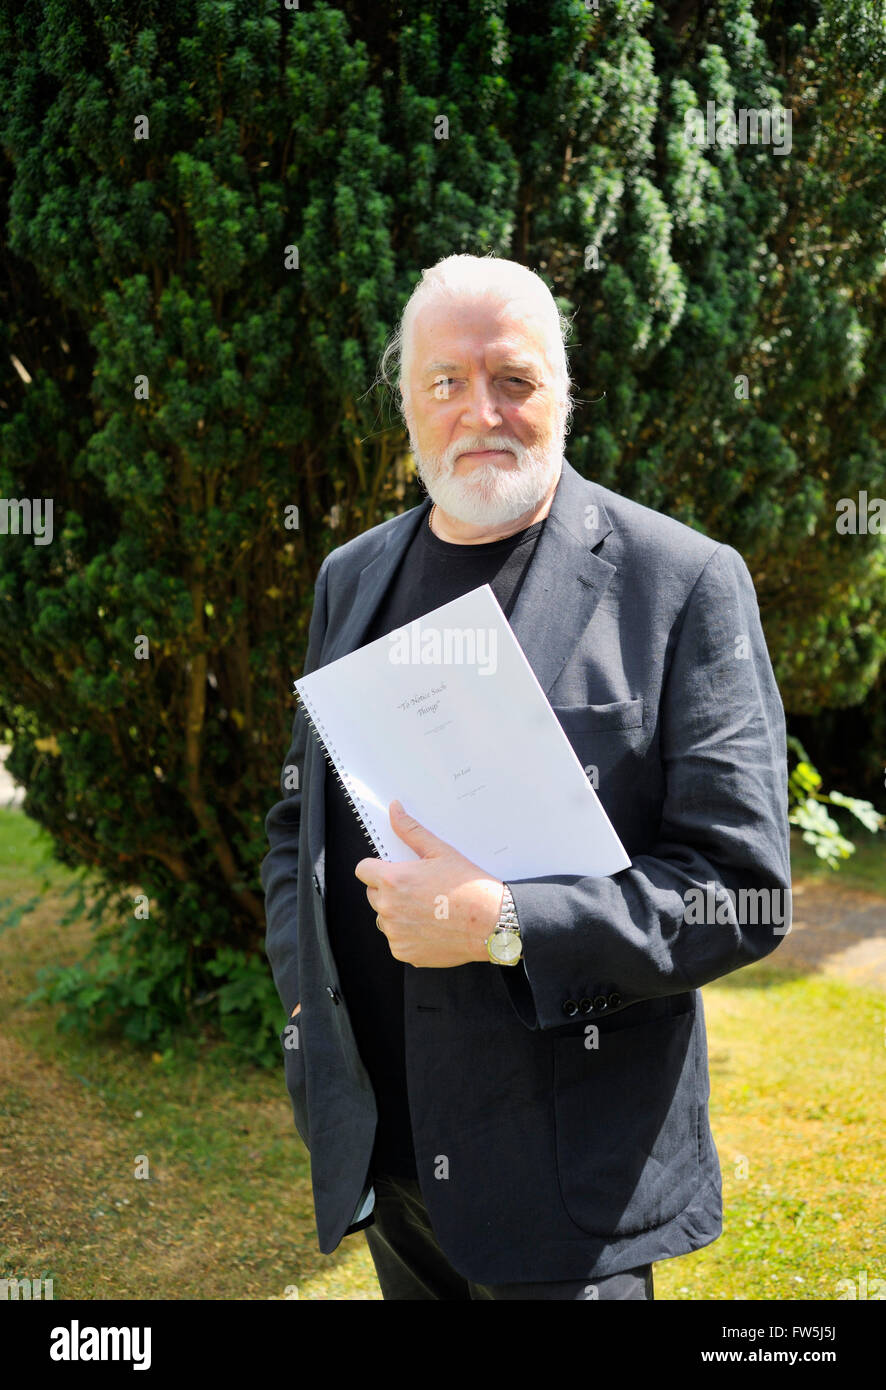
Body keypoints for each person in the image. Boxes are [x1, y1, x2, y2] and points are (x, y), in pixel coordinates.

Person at [260, 253, 791, 1301]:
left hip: (564, 1186)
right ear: (405, 401)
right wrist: (307, 997)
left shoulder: (681, 582)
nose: (480, 412)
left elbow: (741, 888)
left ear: (564, 392)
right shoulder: (351, 576)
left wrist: (502, 919)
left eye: (514, 378)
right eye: (445, 382)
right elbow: (298, 821)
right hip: (388, 1153)